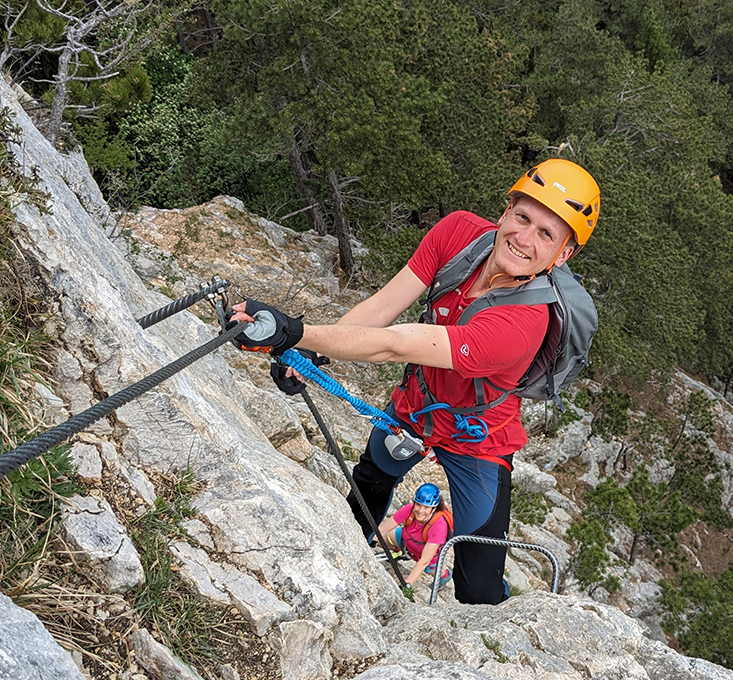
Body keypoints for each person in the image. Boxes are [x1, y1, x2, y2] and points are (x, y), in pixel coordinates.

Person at [229, 158, 601, 605]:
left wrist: (296, 332)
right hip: (417, 406)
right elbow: (383, 307)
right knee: (367, 486)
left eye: (546, 235)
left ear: (563, 255)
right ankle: (339, 574)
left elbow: (396, 344)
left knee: (479, 587)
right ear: (506, 211)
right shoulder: (459, 234)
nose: (524, 239)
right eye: (522, 218)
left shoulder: (523, 323)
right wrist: (311, 352)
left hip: (478, 436)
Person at [378, 483, 452, 587]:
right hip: (406, 540)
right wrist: (368, 540)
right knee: (383, 539)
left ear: (434, 508)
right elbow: (381, 531)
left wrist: (407, 584)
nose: (420, 510)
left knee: (429, 569)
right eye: (418, 505)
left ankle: (444, 575)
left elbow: (424, 561)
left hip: (426, 553)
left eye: (426, 507)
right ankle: (400, 552)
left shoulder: (439, 526)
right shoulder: (409, 509)